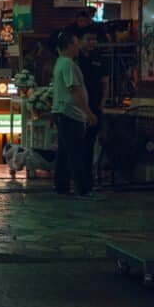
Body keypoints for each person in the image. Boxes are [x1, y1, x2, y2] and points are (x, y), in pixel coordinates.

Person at [50, 28, 98, 198]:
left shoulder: (61, 62)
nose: (78, 47)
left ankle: (62, 185)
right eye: (76, 44)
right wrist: (89, 113)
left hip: (63, 112)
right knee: (76, 152)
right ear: (69, 45)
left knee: (65, 152)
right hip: (70, 113)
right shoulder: (68, 64)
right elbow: (75, 90)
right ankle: (82, 188)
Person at [78, 27, 109, 183]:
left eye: (94, 39)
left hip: (95, 106)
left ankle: (88, 177)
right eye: (88, 39)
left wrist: (103, 102)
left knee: (90, 142)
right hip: (78, 106)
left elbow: (105, 82)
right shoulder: (75, 58)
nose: (92, 42)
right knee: (79, 143)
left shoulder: (99, 57)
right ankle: (79, 177)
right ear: (80, 40)